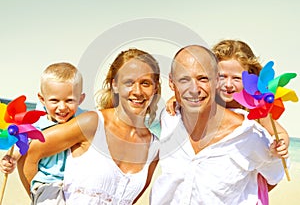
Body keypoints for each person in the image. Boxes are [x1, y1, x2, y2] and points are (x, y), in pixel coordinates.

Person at [18, 48, 161, 204]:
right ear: (115, 85)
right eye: (129, 82)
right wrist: (42, 198)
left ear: (155, 88)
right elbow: (29, 154)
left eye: (145, 83)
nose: (137, 91)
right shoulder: (92, 123)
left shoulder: (154, 148)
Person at [151, 45, 285, 204]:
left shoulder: (251, 131)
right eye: (184, 79)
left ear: (214, 80)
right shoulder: (170, 117)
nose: (194, 89)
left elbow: (274, 175)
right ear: (172, 83)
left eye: (202, 78)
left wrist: (278, 149)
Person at [0, 62, 86, 205]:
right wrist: (11, 159)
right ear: (42, 99)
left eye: (70, 100)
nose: (62, 107)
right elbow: (22, 143)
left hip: (77, 184)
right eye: (54, 100)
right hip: (48, 184)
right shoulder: (37, 125)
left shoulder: (83, 120)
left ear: (81, 99)